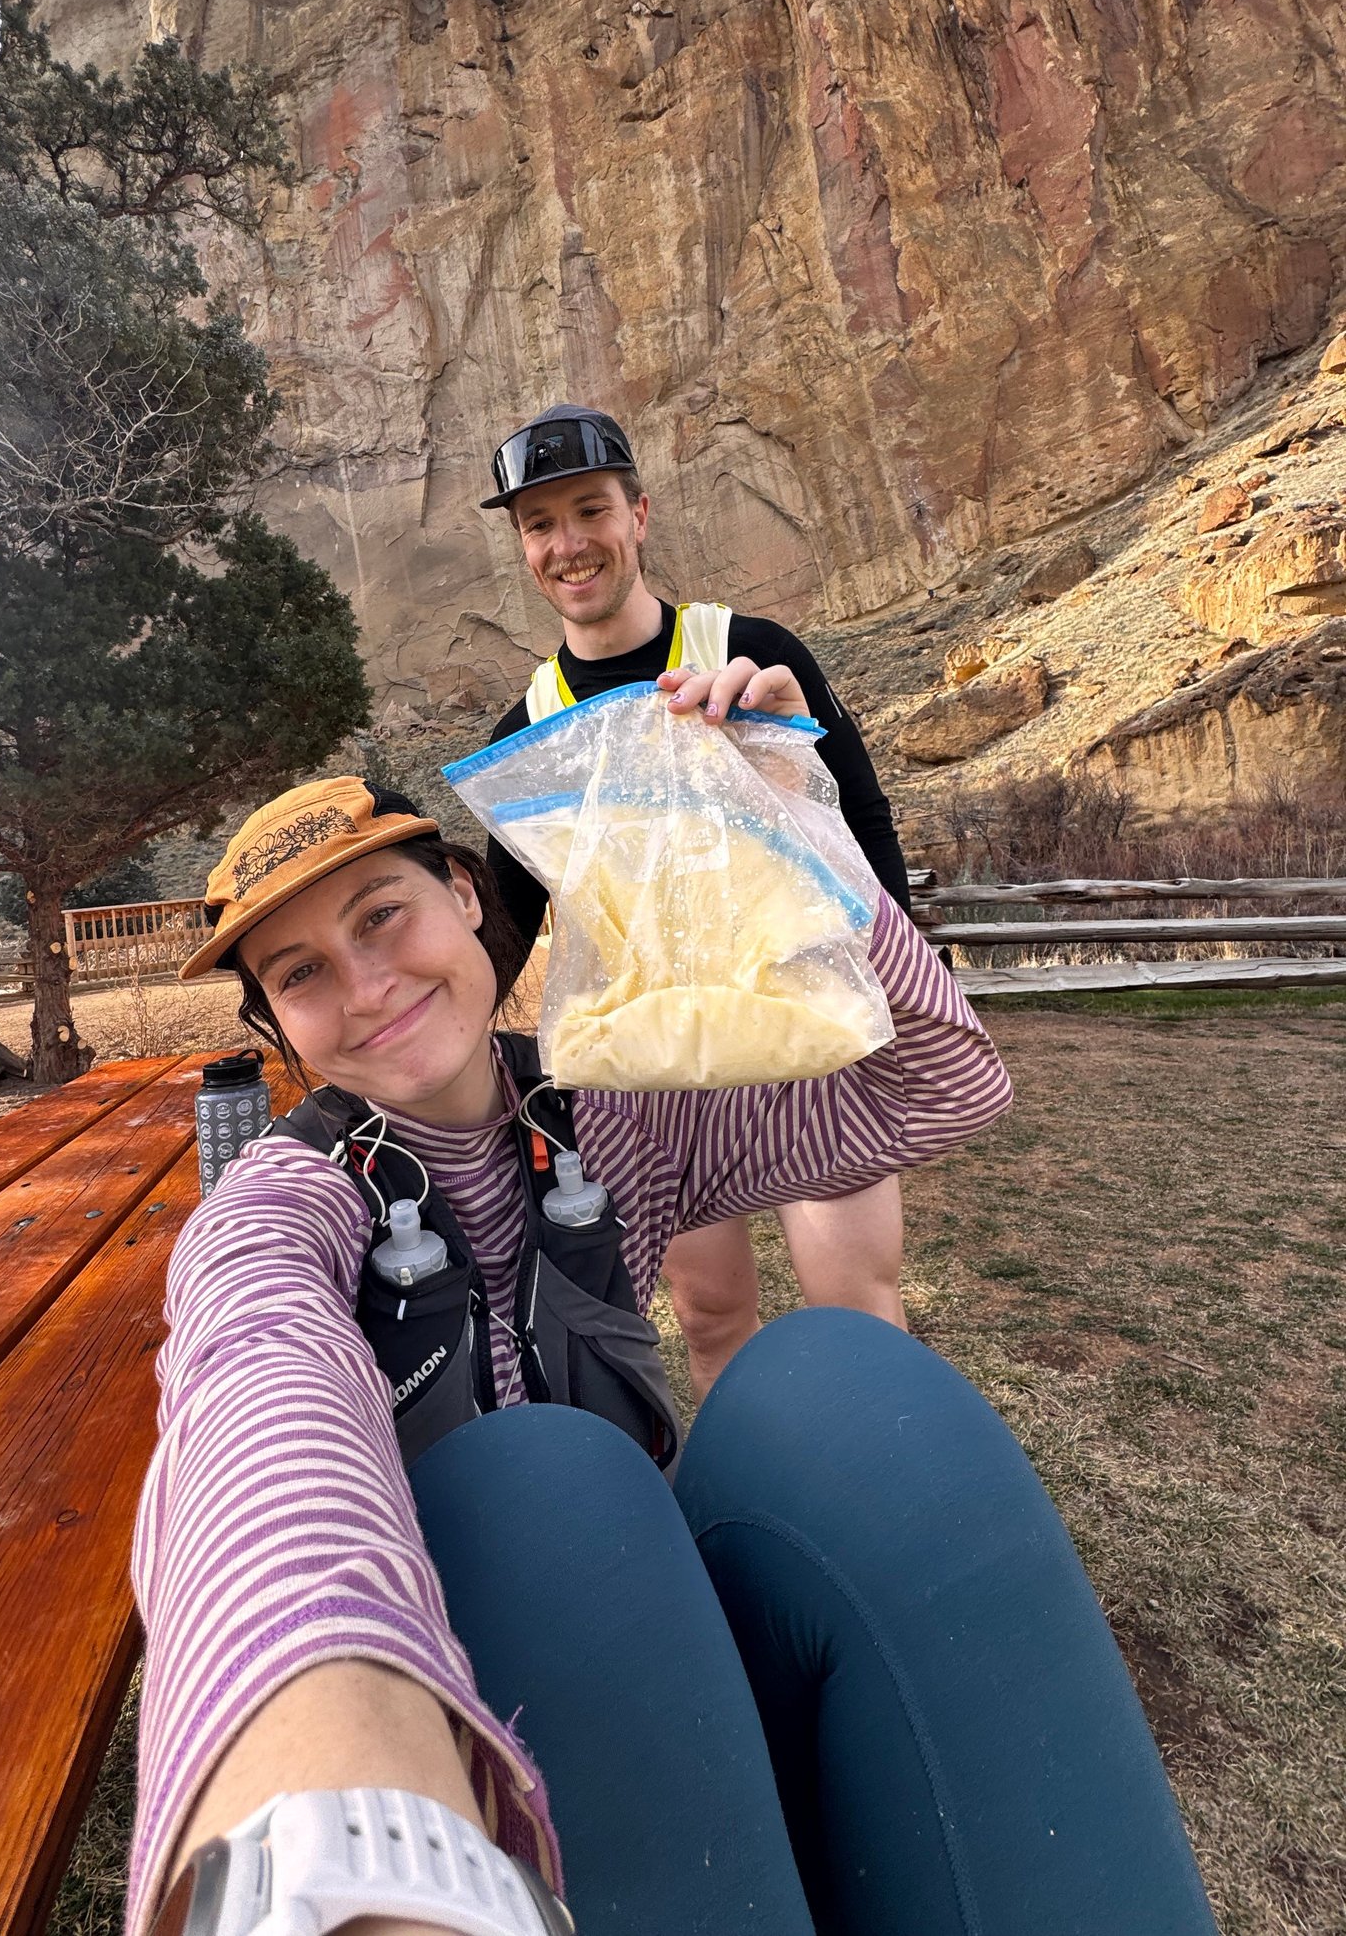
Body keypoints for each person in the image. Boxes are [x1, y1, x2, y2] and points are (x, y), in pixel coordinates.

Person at [129, 670, 1217, 1936]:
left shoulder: (615, 1098)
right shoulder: (291, 1199)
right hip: (465, 1687)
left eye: (384, 916)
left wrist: (786, 823)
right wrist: (313, 1726)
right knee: (537, 1478)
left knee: (841, 1383)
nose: (365, 984)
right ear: (281, 1029)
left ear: (470, 900)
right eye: (304, 971)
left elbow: (933, 1090)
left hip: (646, 1611)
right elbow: (252, 1377)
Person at [481, 403, 909, 1397]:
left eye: (590, 510)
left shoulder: (749, 653)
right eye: (540, 525)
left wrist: (894, 972)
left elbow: (866, 819)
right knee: (711, 1318)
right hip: (651, 1062)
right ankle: (750, 1501)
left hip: (805, 1025)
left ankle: (885, 1508)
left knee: (857, 1306)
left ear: (639, 514)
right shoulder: (531, 725)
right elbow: (501, 931)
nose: (568, 544)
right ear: (522, 547)